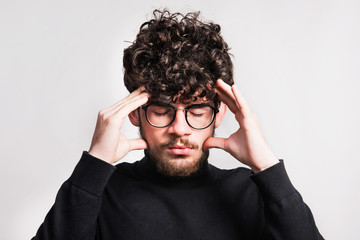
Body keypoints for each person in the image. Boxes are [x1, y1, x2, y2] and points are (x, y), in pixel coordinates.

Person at [32, 9, 324, 240]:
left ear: (219, 115)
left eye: (197, 111)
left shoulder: (251, 193)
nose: (180, 129)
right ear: (134, 113)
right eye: (161, 111)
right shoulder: (101, 192)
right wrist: (95, 164)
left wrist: (267, 166)